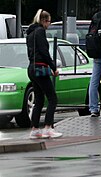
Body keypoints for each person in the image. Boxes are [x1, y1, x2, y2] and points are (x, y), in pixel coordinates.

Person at [26, 9, 62, 139]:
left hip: (31, 68)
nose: (49, 25)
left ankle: (35, 129)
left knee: (39, 100)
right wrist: (53, 67)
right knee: (52, 98)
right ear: (43, 21)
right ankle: (48, 127)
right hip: (40, 68)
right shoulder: (40, 31)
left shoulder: (30, 33)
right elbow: (44, 52)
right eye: (48, 22)